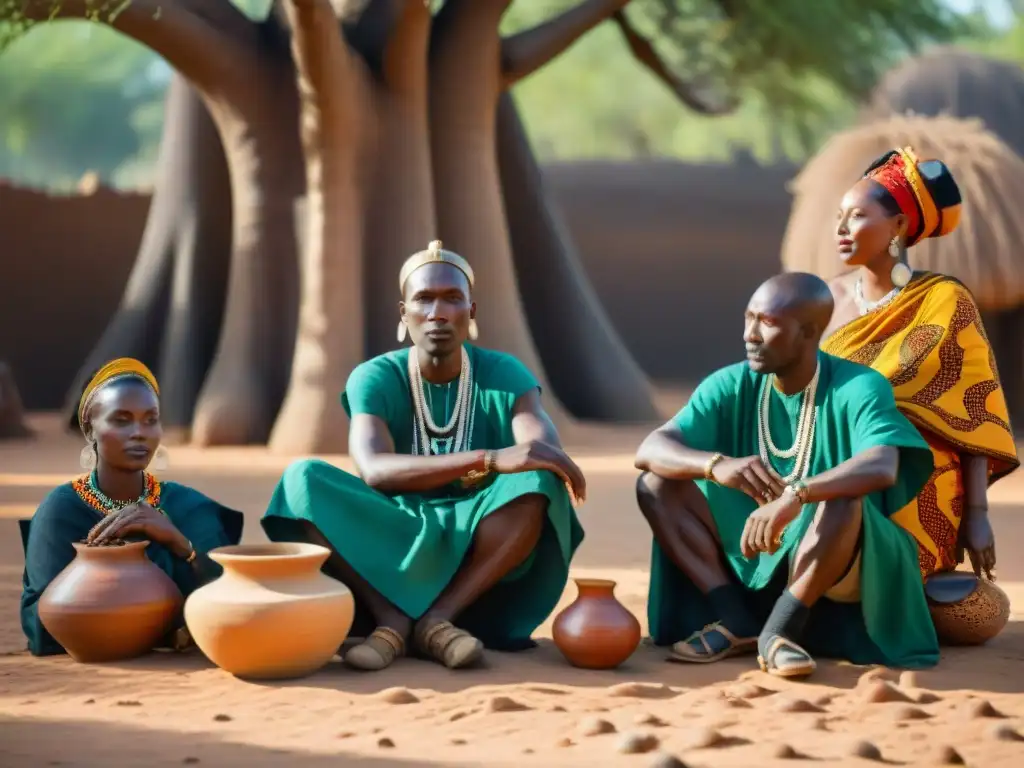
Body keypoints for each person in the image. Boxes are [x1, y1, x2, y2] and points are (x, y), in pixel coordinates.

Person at [262, 240, 586, 672]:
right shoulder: (376, 376)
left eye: (452, 299)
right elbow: (375, 469)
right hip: (391, 522)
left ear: (472, 312)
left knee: (537, 481)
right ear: (404, 314)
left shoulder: (504, 373)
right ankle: (390, 618)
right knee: (301, 481)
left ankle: (438, 619)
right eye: (424, 299)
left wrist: (530, 453)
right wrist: (489, 459)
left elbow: (537, 449)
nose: (438, 312)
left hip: (476, 528)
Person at [635, 273, 938, 678]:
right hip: (745, 543)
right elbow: (650, 448)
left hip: (833, 551)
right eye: (748, 318)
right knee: (655, 483)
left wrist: (796, 495)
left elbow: (882, 464)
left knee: (843, 497)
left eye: (768, 323)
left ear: (809, 332)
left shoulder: (858, 386)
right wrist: (715, 465)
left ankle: (780, 631)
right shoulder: (731, 383)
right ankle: (735, 618)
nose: (750, 335)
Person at [824, 147, 1018, 594]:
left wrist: (978, 516)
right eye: (838, 216)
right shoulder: (823, 299)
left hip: (920, 480)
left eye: (856, 216)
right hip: (826, 461)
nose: (840, 229)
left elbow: (975, 415)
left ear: (899, 226)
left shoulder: (945, 301)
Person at [20, 358, 244, 656]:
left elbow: (233, 591)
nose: (139, 432)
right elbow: (42, 622)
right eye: (122, 420)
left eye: (150, 419)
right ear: (90, 430)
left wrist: (178, 542)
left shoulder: (187, 506)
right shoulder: (62, 511)